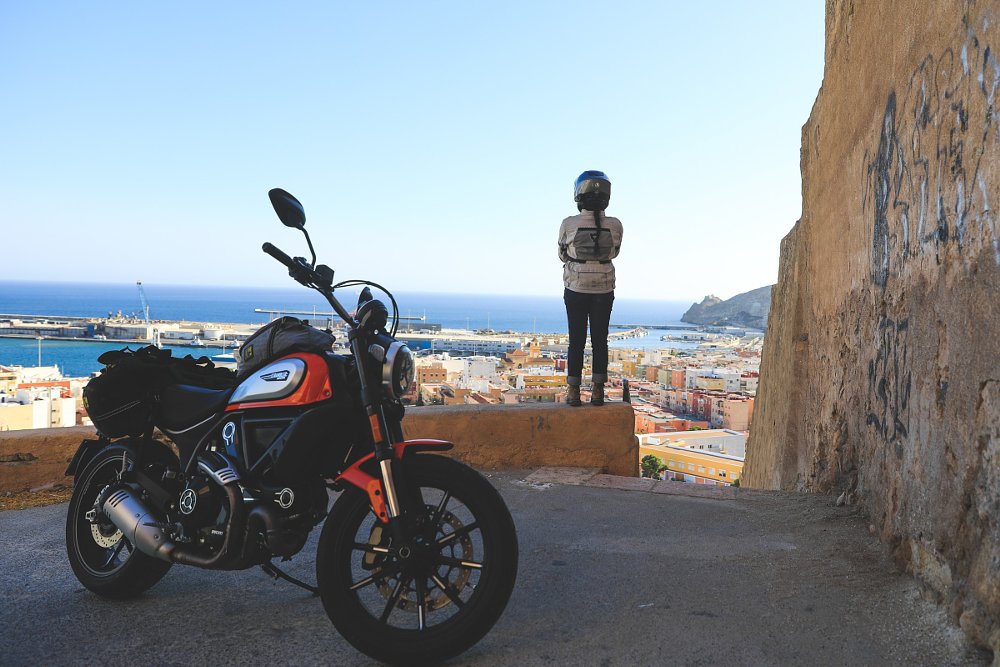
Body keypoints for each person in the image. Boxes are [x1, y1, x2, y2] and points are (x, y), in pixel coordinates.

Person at [557, 170, 623, 406]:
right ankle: (598, 391)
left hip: (575, 287)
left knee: (576, 340)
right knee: (600, 340)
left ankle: (573, 391)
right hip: (604, 288)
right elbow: (615, 252)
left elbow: (562, 255)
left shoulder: (568, 223)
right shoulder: (615, 225)